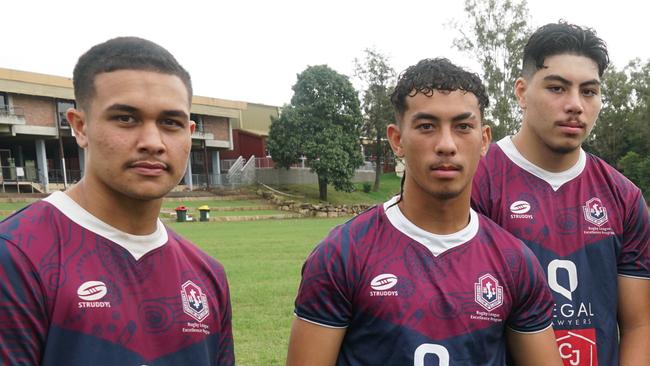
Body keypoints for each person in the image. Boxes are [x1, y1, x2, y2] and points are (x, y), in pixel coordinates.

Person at [286, 58, 562, 365]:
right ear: (397, 139)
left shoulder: (515, 262)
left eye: (463, 127)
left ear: (484, 140)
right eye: (427, 126)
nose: (446, 145)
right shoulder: (343, 253)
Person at [0, 37, 234, 365]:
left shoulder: (207, 274)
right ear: (80, 127)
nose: (152, 142)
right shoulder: (16, 255)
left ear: (189, 132)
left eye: (171, 122)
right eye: (126, 118)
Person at [472, 22, 650, 366]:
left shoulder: (624, 196)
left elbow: (639, 324)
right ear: (522, 93)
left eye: (588, 91)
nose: (575, 105)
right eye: (557, 88)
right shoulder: (478, 180)